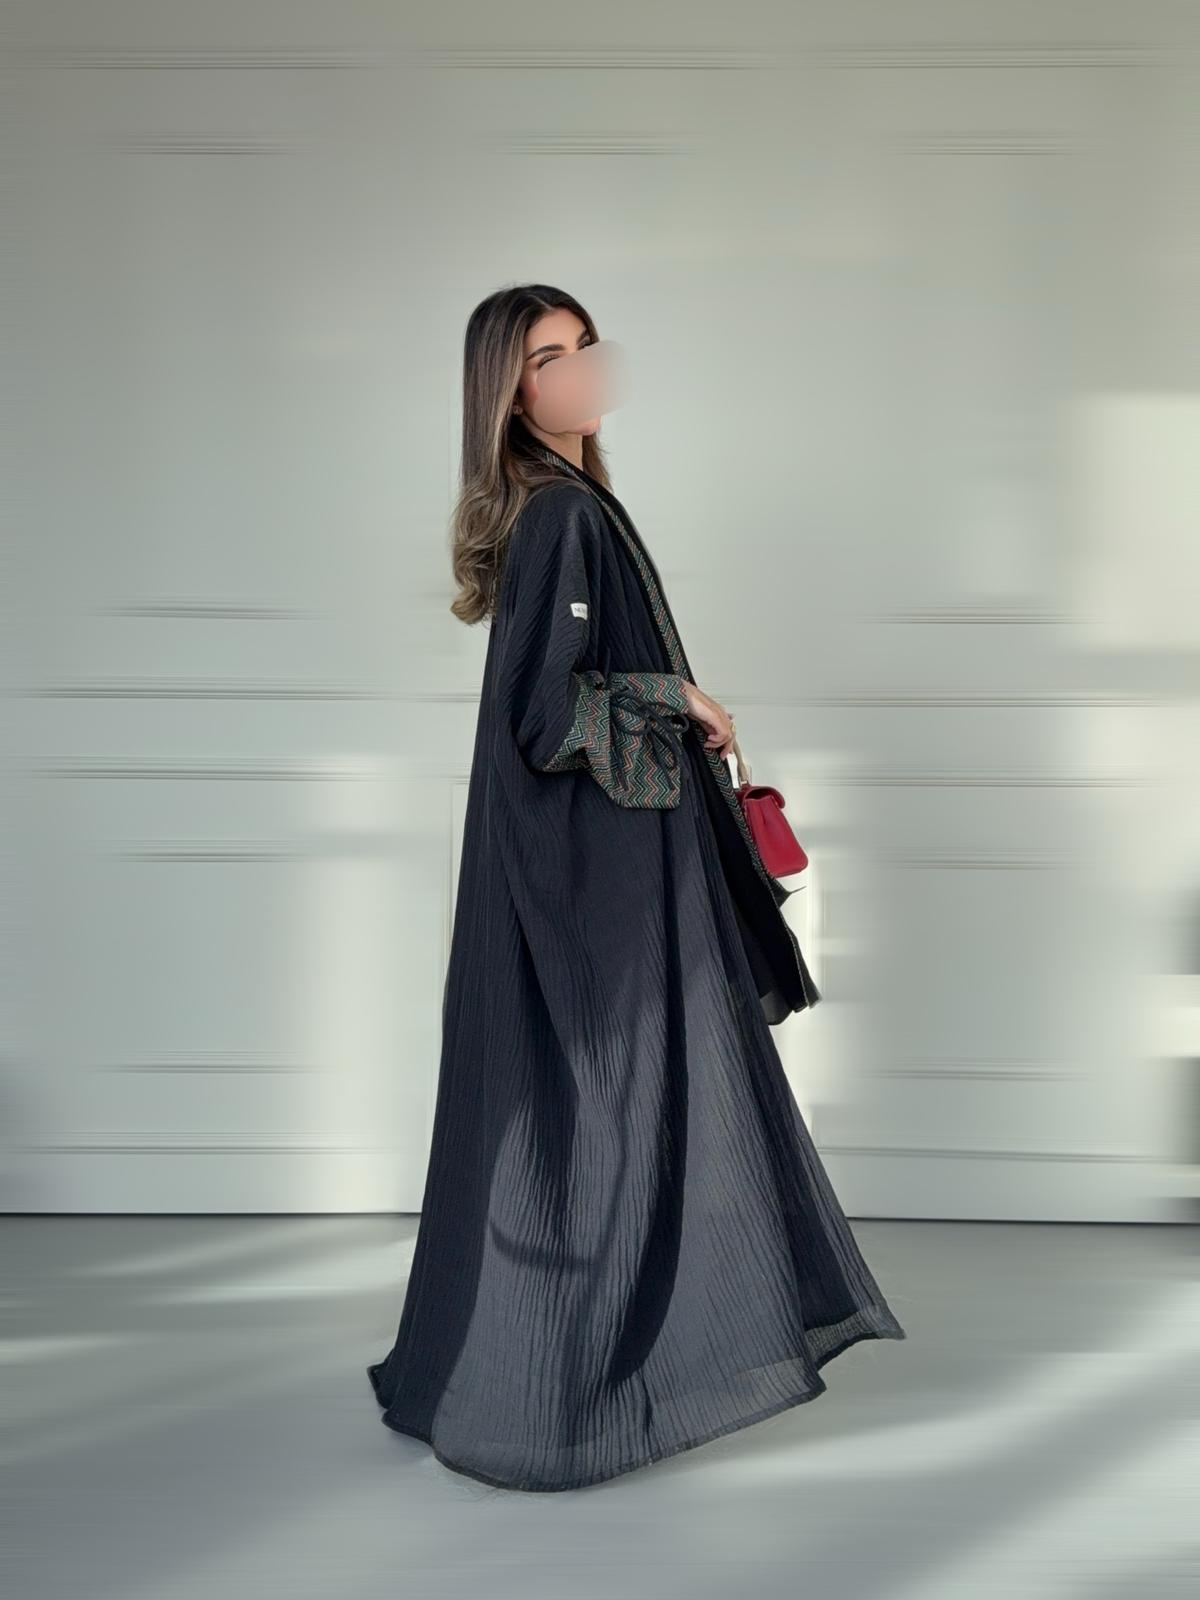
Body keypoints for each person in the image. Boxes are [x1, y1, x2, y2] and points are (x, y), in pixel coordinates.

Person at [367, 284, 905, 1492]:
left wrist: (668, 700)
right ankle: (577, 1381)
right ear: (509, 392)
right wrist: (678, 697)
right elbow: (544, 715)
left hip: (611, 847)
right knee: (613, 1101)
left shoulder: (569, 501)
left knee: (599, 1099)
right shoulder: (561, 514)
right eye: (545, 357)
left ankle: (551, 1360)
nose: (578, 371)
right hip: (606, 859)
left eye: (584, 346)